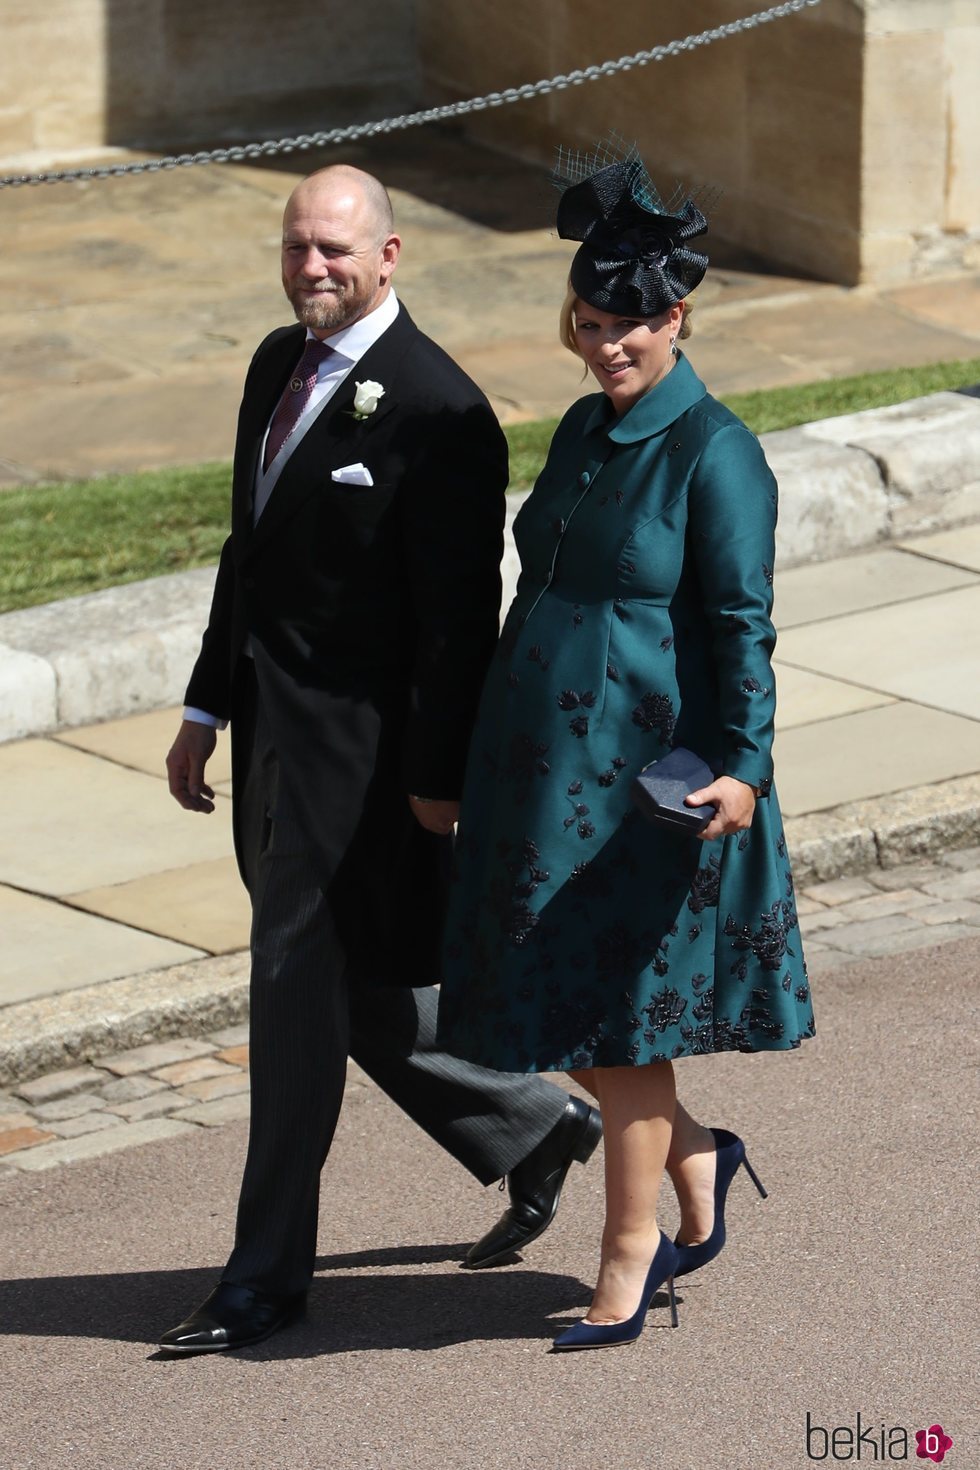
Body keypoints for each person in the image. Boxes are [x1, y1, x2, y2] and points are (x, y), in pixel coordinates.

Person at [160, 164, 600, 1355]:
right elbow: (245, 555)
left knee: (293, 1005)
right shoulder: (271, 364)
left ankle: (262, 1279)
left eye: (336, 251)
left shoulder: (438, 411)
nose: (313, 267)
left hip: (358, 775)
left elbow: (459, 618)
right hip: (263, 739)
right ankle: (531, 1123)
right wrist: (205, 705)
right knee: (348, 991)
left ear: (391, 256)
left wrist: (433, 779)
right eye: (297, 247)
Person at [436, 142, 815, 1351]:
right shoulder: (577, 431)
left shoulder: (718, 455)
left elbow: (743, 630)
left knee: (621, 1027)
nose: (608, 345)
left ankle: (626, 1251)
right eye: (591, 322)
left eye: (631, 326)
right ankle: (698, 1155)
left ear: (678, 318)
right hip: (536, 774)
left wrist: (742, 768)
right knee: (545, 1002)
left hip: (645, 787)